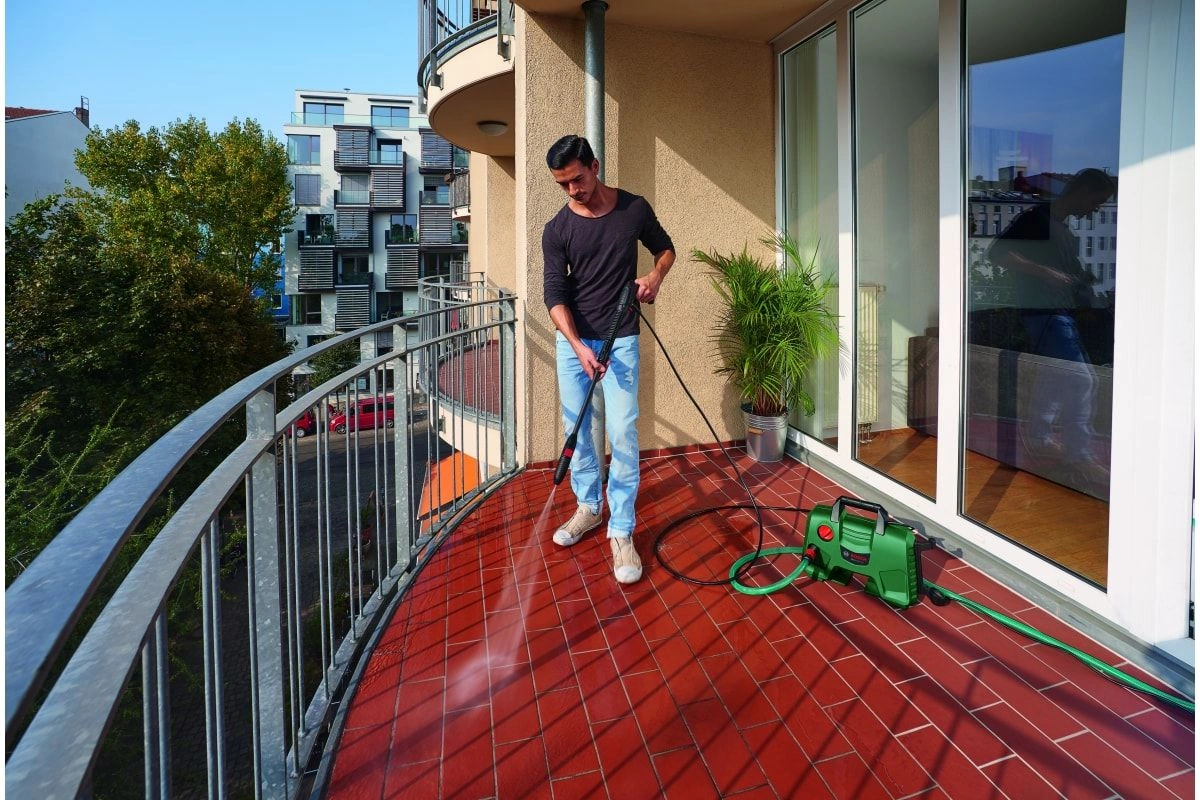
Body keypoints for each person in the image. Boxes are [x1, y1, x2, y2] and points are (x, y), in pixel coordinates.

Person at [542, 134, 675, 584]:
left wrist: (655, 277)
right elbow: (554, 294)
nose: (573, 190)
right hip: (574, 343)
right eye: (563, 184)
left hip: (621, 339)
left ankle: (621, 530)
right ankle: (588, 508)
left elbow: (665, 248)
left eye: (577, 179)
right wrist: (578, 346)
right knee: (578, 431)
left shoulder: (633, 209)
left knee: (621, 432)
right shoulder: (557, 229)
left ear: (594, 166)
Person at [987, 167, 1116, 494]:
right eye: (1096, 202)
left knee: (1052, 376)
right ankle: (1079, 455)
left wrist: (1086, 286)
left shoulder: (1065, 231)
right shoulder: (1037, 218)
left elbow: (1072, 274)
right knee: (1081, 380)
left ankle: (1040, 438)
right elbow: (997, 253)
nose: (1095, 210)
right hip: (1043, 314)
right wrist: (1045, 273)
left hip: (1061, 313)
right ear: (1082, 191)